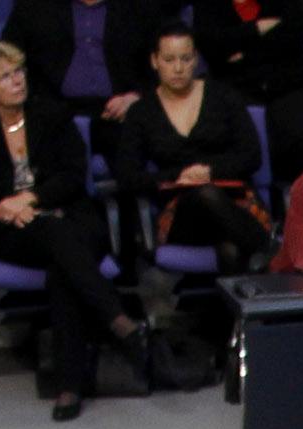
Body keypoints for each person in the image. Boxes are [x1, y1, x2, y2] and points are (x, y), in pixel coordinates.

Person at [0, 40, 160, 416]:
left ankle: (70, 386)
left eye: (19, 71)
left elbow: (72, 175)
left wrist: (29, 199)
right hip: (15, 230)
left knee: (61, 262)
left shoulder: (52, 115)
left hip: (71, 216)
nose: (18, 80)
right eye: (5, 76)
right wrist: (4, 208)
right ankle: (117, 319)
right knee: (55, 238)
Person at [109, 24, 270, 277]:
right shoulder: (142, 112)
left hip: (234, 201)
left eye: (185, 59)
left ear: (195, 59)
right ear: (154, 61)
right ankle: (269, 248)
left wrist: (210, 171)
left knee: (230, 249)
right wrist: (179, 176)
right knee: (205, 193)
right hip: (180, 214)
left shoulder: (223, 96)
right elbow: (127, 176)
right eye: (169, 59)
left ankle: (235, 304)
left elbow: (251, 155)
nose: (178, 68)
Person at [183, 0, 303, 226]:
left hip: (288, 85)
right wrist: (257, 29)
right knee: (236, 142)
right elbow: (212, 46)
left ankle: (301, 213)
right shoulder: (208, 5)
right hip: (237, 90)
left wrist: (243, 53)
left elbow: (297, 29)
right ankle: (258, 219)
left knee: (299, 134)